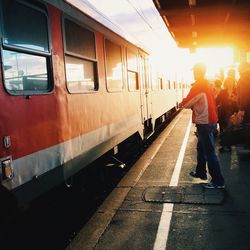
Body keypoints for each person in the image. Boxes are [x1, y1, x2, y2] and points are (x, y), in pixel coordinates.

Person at [181, 63, 225, 188]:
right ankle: (201, 173)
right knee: (201, 148)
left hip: (204, 122)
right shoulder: (207, 85)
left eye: (194, 71)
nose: (193, 73)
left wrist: (184, 102)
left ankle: (218, 181)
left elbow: (186, 103)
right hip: (210, 120)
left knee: (209, 152)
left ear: (198, 72)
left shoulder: (198, 86)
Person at [216, 69, 238, 152]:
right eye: (228, 82)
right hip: (224, 113)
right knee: (223, 130)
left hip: (233, 113)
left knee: (230, 130)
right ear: (225, 83)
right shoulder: (223, 92)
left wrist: (235, 100)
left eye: (231, 82)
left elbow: (239, 102)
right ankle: (223, 145)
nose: (230, 83)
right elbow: (217, 101)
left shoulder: (236, 92)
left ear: (233, 83)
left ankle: (228, 145)